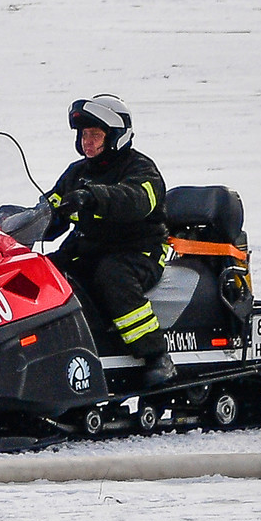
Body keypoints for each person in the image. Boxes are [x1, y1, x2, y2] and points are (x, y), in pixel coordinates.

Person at [45, 94, 175, 387]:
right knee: (42, 271)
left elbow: (137, 200)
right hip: (88, 249)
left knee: (112, 276)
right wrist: (18, 223)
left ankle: (156, 355)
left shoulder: (141, 169)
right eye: (83, 135)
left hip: (138, 251)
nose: (87, 142)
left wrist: (93, 198)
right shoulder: (76, 173)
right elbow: (52, 208)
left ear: (116, 136)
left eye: (95, 134)